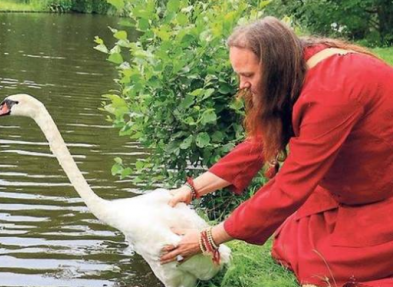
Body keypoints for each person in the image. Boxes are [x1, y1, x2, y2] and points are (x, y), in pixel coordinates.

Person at [160, 16, 393, 287]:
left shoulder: (332, 90)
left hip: (382, 191)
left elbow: (291, 186)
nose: (241, 85)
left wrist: (208, 238)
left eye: (248, 75)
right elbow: (259, 144)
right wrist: (191, 190)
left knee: (322, 267)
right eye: (238, 74)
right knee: (289, 240)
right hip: (355, 184)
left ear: (274, 67)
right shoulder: (296, 67)